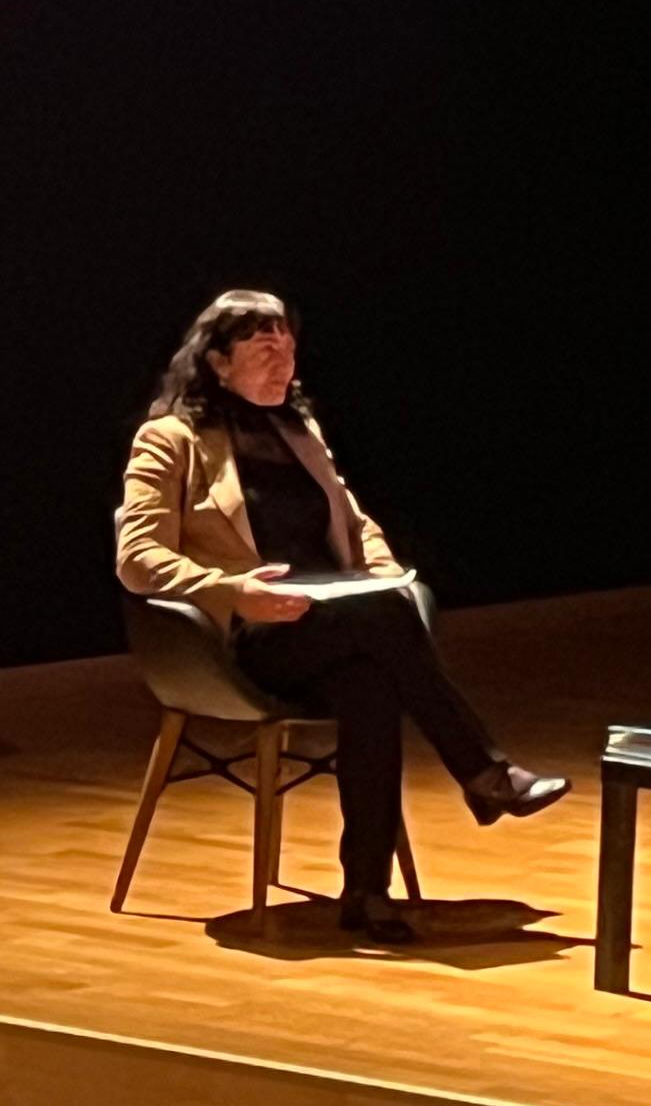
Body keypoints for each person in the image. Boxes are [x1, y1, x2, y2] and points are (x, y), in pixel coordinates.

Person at [114, 291, 567, 942]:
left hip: (334, 625)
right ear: (217, 362)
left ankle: (367, 892)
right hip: (241, 640)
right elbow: (138, 556)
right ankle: (482, 772)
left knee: (372, 682)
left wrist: (381, 569)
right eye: (263, 349)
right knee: (382, 622)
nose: (282, 361)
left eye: (288, 348)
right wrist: (232, 590)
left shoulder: (300, 432)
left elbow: (354, 521)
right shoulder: (170, 440)